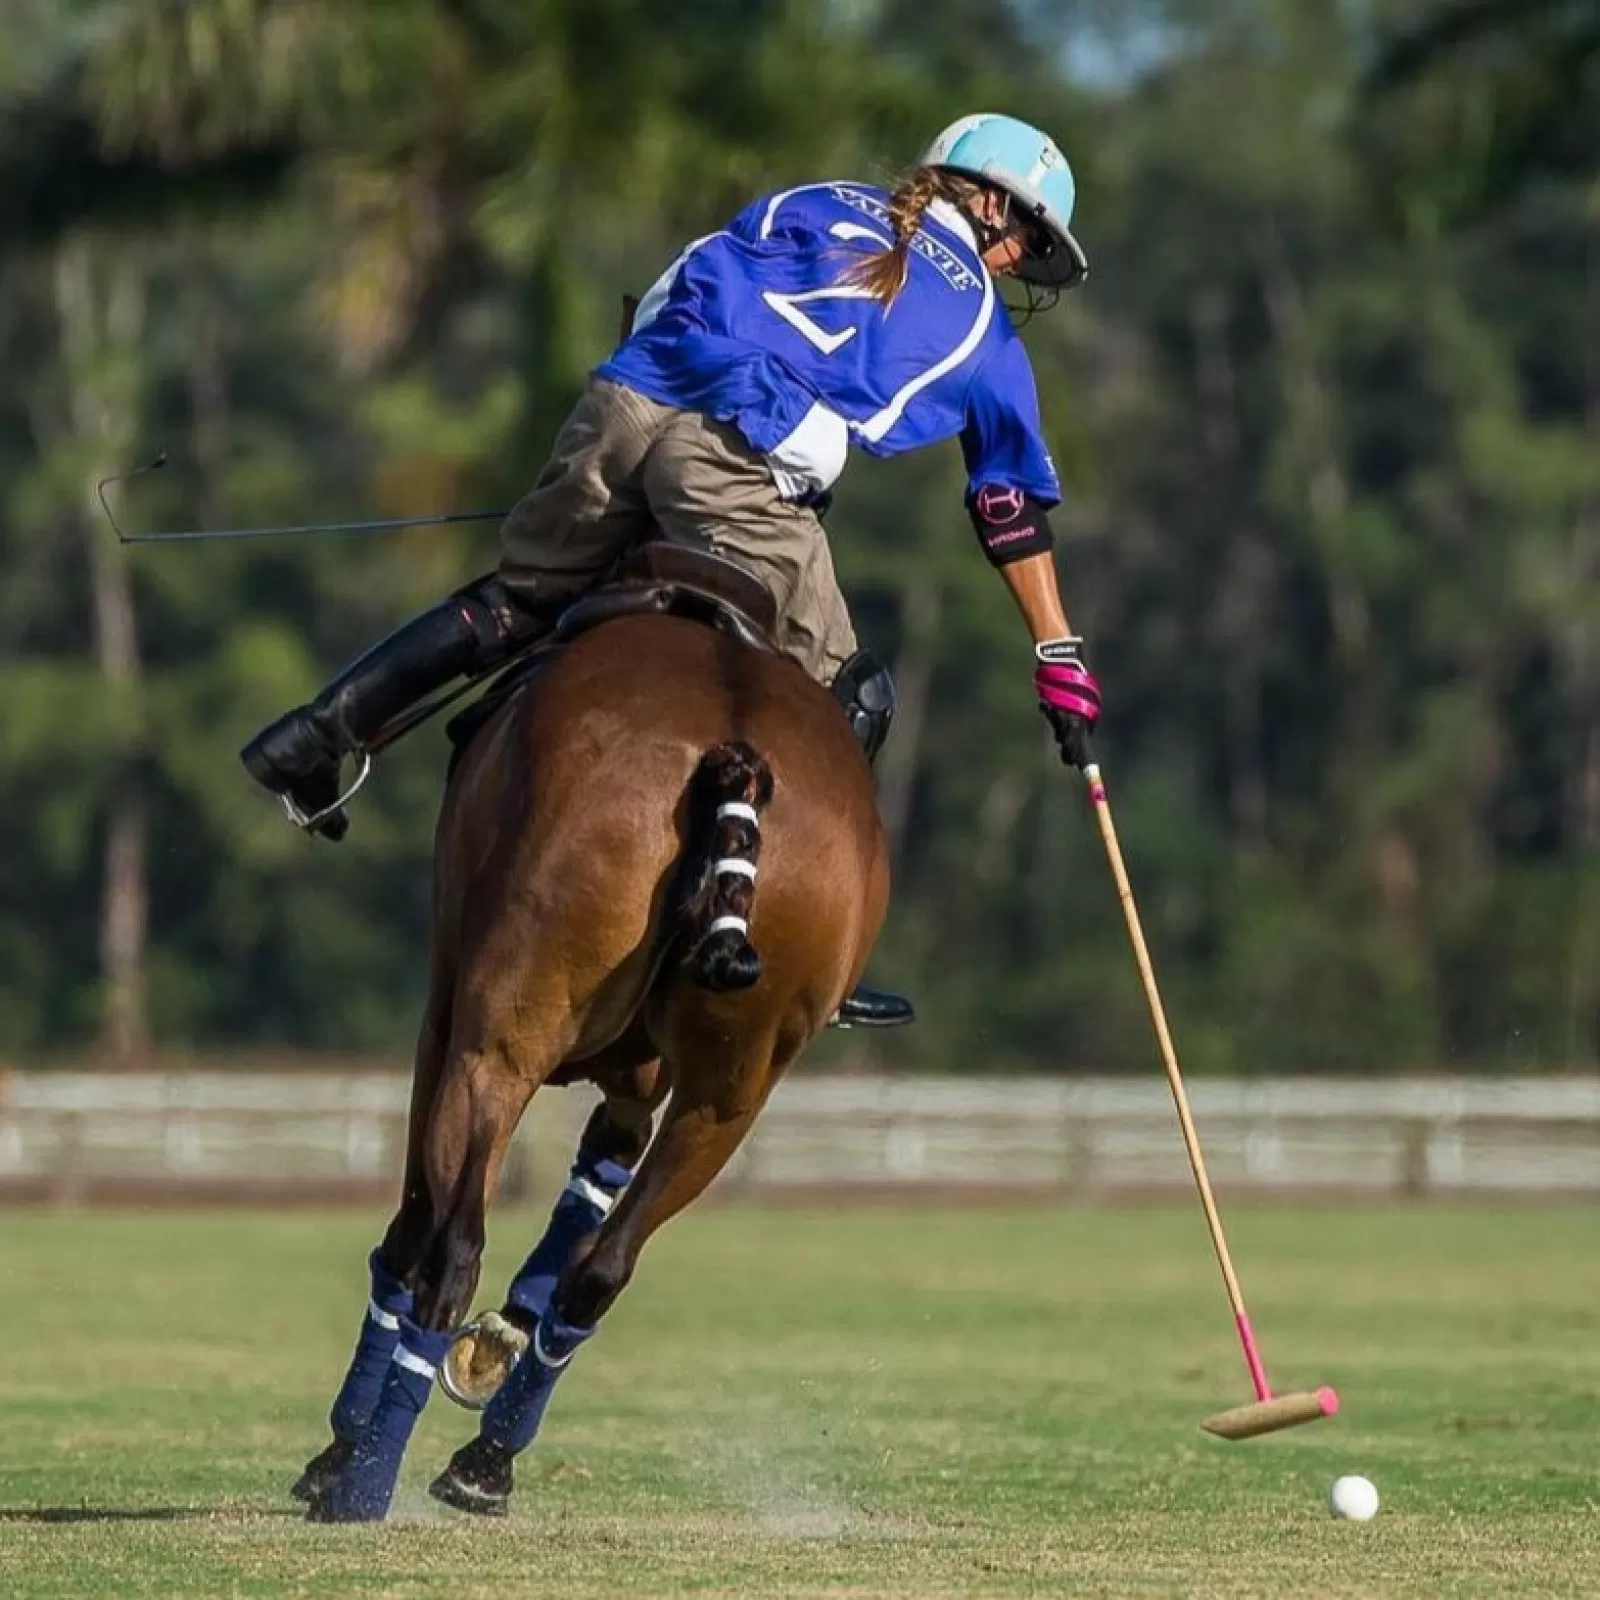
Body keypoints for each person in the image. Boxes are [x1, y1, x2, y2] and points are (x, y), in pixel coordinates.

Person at [240, 111, 1104, 1027]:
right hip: (736, 460)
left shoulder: (808, 200)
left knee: (524, 601)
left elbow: (674, 286)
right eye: (1031, 239)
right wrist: (1056, 650)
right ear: (997, 210)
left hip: (626, 399)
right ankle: (819, 951)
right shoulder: (985, 333)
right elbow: (1006, 504)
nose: (1021, 262)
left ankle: (317, 733)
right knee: (853, 692)